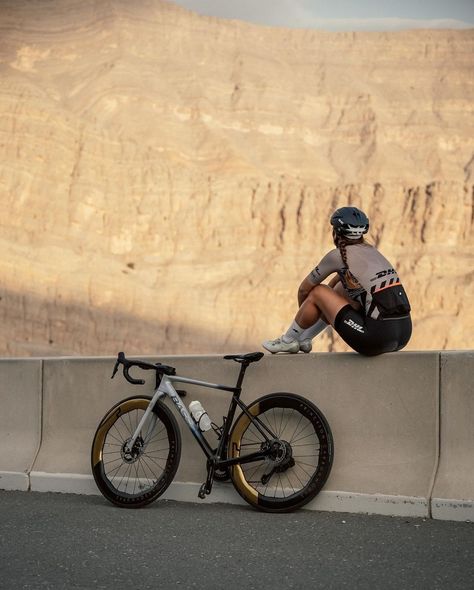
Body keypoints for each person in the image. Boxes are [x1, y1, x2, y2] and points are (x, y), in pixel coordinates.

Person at [262, 206, 412, 356]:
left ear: (336, 232)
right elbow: (337, 288)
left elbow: (304, 290)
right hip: (403, 334)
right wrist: (322, 307)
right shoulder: (372, 251)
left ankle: (288, 341)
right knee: (340, 288)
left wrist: (308, 311)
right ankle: (305, 338)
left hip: (376, 339)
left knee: (318, 292)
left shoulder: (338, 255)